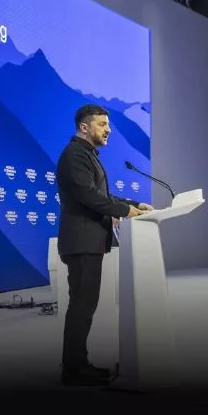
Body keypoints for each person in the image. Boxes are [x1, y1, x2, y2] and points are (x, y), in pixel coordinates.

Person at [55, 104, 154, 386]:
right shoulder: (75, 155)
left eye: (108, 124)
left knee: (85, 305)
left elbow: (101, 195)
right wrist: (125, 211)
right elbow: (89, 196)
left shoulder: (86, 154)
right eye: (102, 124)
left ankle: (77, 364)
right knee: (82, 306)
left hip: (88, 241)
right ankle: (74, 370)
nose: (108, 129)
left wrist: (134, 204)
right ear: (84, 127)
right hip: (82, 241)